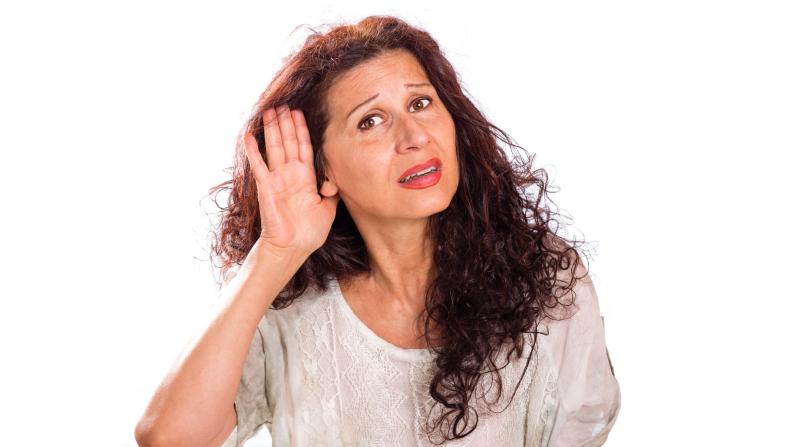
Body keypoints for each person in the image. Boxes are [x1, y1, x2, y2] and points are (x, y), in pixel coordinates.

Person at [134, 15, 621, 447]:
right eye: (370, 121)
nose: (414, 137)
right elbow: (169, 438)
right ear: (323, 169)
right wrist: (277, 253)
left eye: (421, 103)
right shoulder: (288, 304)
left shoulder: (545, 279)